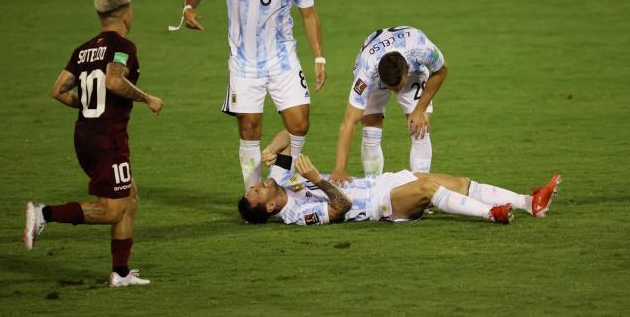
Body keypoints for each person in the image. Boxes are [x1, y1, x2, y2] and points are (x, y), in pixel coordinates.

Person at [23, 0, 164, 288]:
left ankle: (121, 273)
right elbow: (114, 81)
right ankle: (43, 213)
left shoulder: (83, 50)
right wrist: (147, 98)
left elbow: (58, 91)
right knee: (112, 209)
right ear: (126, 14)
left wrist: (87, 105)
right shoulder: (124, 46)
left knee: (129, 200)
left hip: (86, 134)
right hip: (107, 138)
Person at [179, 0, 325, 191]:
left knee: (299, 124)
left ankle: (281, 181)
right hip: (245, 64)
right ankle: (254, 195)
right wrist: (188, 8)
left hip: (283, 59)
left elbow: (308, 14)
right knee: (250, 130)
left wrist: (319, 56)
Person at [239, 151, 561, 226]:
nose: (256, 185)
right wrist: (318, 180)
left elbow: (284, 136)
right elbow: (342, 208)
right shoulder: (295, 214)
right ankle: (492, 214)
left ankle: (529, 202)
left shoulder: (279, 181)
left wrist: (274, 151)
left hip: (383, 181)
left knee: (461, 183)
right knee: (428, 189)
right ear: (268, 207)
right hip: (379, 204)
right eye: (254, 193)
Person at [330, 25, 447, 184]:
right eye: (391, 88)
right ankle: (373, 187)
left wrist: (420, 110)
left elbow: (441, 71)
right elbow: (348, 122)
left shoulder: (421, 49)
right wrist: (339, 168)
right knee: (371, 128)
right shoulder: (366, 73)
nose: (396, 92)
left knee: (420, 128)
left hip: (413, 69)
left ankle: (420, 190)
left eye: (398, 87)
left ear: (407, 70)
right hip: (373, 66)